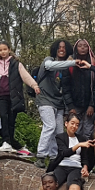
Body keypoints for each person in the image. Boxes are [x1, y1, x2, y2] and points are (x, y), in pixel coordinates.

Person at [0, 41, 40, 155]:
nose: (3, 52)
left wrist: (34, 85)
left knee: (11, 121)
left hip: (14, 97)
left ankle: (11, 143)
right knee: (3, 116)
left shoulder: (16, 64)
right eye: (0, 50)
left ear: (9, 49)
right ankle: (6, 142)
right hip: (0, 96)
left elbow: (25, 76)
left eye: (5, 49)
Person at [34, 39, 77, 169]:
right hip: (45, 99)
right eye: (59, 47)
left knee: (59, 131)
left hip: (59, 102)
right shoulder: (49, 60)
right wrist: (73, 62)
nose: (61, 49)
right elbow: (51, 66)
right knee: (50, 126)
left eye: (64, 47)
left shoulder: (66, 69)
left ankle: (54, 157)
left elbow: (66, 88)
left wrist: (69, 107)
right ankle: (41, 156)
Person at [46, 113, 90, 190]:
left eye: (77, 125)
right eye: (72, 123)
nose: (74, 126)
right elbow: (64, 152)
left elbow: (85, 157)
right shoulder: (60, 137)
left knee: (72, 186)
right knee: (52, 185)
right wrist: (78, 145)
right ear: (66, 123)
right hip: (62, 165)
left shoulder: (82, 139)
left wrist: (85, 168)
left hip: (76, 167)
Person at [69, 39, 95, 137]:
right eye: (80, 46)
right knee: (75, 130)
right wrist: (70, 106)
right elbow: (66, 86)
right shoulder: (70, 63)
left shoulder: (93, 63)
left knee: (88, 131)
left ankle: (87, 152)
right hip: (75, 104)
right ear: (76, 48)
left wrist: (91, 105)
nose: (83, 48)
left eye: (85, 46)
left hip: (89, 105)